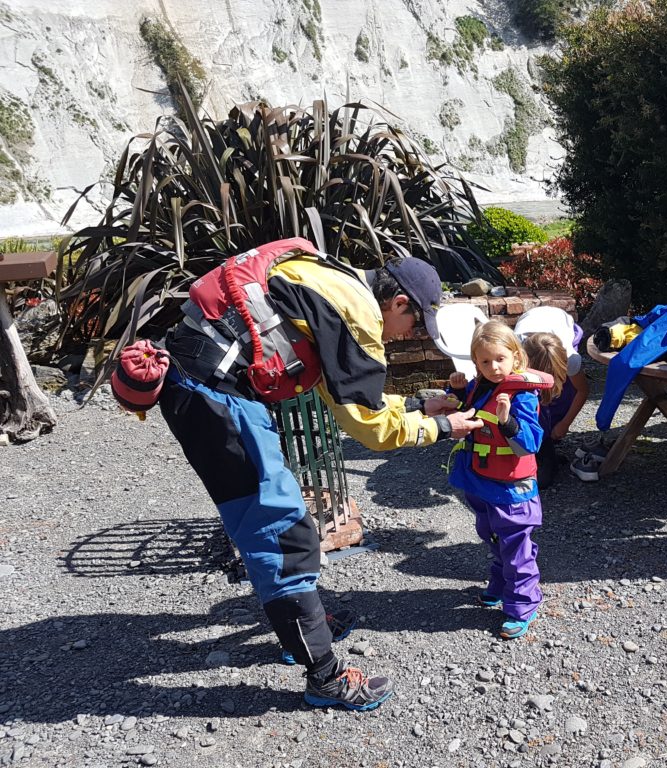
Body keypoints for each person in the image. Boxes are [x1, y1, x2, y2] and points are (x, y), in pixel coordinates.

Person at [157, 237, 483, 710]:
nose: (410, 334)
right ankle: (325, 678)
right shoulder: (357, 313)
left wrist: (414, 405)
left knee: (282, 527)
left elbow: (344, 395)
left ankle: (304, 634)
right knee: (282, 536)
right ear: (397, 303)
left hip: (206, 387)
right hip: (215, 402)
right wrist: (439, 426)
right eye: (415, 323)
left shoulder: (337, 282)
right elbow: (369, 428)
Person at [446, 321, 550, 639]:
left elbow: (531, 443)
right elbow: (471, 412)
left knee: (516, 547)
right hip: (482, 481)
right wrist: (458, 390)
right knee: (492, 537)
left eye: (500, 359)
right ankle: (501, 585)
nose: (493, 367)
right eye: (485, 361)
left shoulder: (521, 396)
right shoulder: (482, 386)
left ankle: (523, 604)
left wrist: (508, 421)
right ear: (476, 362)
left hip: (510, 488)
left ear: (515, 358)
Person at [517, 313, 589, 488]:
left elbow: (582, 390)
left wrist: (565, 423)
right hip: (528, 324)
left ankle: (548, 445)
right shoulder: (516, 355)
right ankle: (539, 445)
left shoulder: (570, 358)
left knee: (565, 396)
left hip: (561, 322)